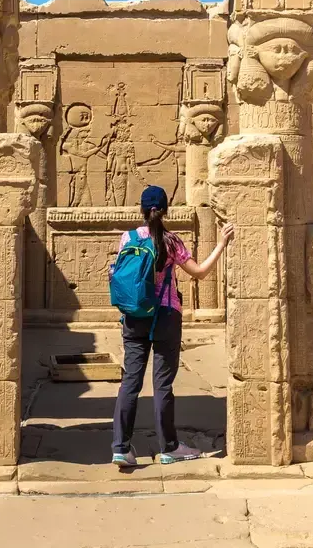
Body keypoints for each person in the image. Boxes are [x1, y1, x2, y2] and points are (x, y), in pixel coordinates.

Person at [110, 185, 234, 468]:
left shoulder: (126, 238)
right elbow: (200, 273)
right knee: (162, 383)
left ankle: (121, 448)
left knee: (130, 380)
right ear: (165, 209)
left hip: (133, 316)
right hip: (165, 315)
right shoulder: (171, 242)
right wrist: (221, 244)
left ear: (141, 209)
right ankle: (169, 447)